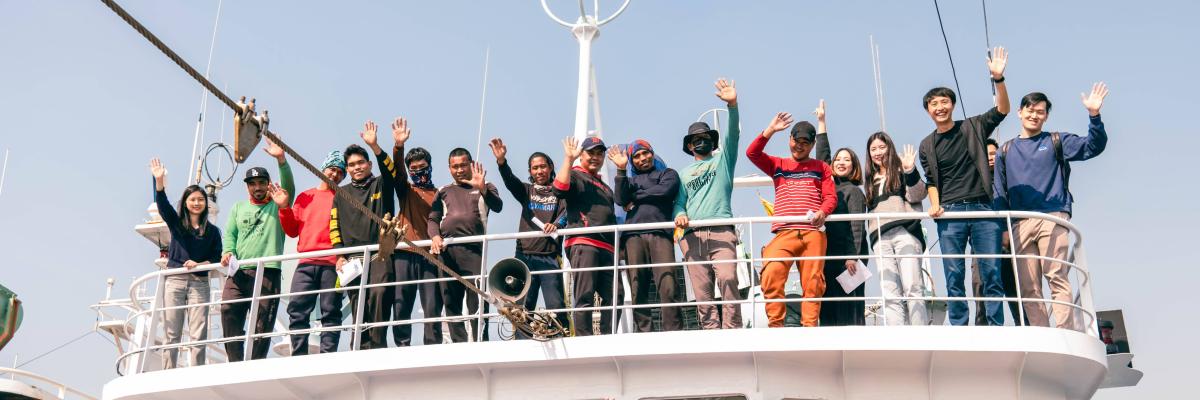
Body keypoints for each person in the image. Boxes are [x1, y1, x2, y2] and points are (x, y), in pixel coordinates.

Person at [994, 84, 1110, 330]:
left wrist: (1094, 115)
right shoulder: (1006, 150)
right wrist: (1003, 228)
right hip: (1019, 222)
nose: (1034, 115)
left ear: (1046, 116)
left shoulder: (1057, 141)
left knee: (1056, 276)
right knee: (1028, 285)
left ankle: (1064, 330)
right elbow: (999, 191)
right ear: (1020, 112)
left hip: (1053, 216)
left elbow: (1093, 146)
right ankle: (1041, 332)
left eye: (1040, 112)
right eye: (1030, 110)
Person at [918, 46, 1010, 326]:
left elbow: (1002, 110)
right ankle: (959, 326)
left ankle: (995, 326)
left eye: (944, 102)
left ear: (952, 105)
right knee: (954, 274)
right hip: (950, 214)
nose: (940, 107)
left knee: (991, 271)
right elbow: (931, 181)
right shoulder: (927, 144)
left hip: (983, 209)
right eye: (934, 104)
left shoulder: (973, 126)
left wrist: (998, 79)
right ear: (928, 110)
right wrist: (935, 205)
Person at [746, 111, 837, 327]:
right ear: (790, 140)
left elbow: (831, 197)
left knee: (813, 281)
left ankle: (809, 327)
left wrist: (822, 212)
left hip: (812, 232)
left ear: (813, 144)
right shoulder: (778, 165)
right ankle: (776, 326)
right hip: (784, 231)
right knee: (771, 273)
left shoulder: (822, 168)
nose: (800, 146)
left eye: (805, 142)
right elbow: (752, 153)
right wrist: (770, 130)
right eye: (796, 141)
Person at [673, 78, 743, 330]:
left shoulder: (723, 161)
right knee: (702, 291)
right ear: (689, 146)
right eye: (695, 139)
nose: (700, 141)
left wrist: (732, 105)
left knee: (728, 278)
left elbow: (733, 136)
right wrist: (679, 214)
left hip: (721, 231)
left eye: (704, 137)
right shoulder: (683, 174)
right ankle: (711, 332)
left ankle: (732, 329)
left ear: (712, 142)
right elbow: (679, 202)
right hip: (692, 236)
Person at [219, 138, 294, 361]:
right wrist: (227, 251)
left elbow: (288, 187)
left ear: (269, 184)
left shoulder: (276, 204)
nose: (257, 187)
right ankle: (235, 362)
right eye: (252, 183)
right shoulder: (238, 207)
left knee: (262, 322)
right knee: (228, 310)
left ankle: (255, 363)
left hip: (268, 271)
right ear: (247, 187)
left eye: (261, 182)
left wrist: (281, 160)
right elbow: (230, 234)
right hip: (239, 271)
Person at [488, 138, 569, 337]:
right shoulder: (526, 191)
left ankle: (560, 337)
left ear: (550, 168)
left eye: (543, 166)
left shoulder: (559, 192)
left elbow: (565, 215)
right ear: (530, 171)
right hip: (524, 256)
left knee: (556, 304)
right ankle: (521, 342)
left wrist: (556, 225)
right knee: (523, 306)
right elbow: (510, 181)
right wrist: (501, 161)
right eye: (535, 168)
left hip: (549, 256)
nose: (539, 171)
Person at [329, 120, 397, 350]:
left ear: (369, 164)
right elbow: (334, 225)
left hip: (380, 253)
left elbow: (392, 172)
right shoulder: (341, 193)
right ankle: (358, 347)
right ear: (347, 169)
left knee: (380, 293)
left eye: (360, 162)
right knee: (358, 302)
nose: (356, 167)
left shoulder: (381, 184)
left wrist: (375, 146)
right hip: (352, 258)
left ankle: (377, 346)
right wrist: (339, 255)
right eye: (351, 165)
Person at [149, 158, 221, 369]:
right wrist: (159, 181)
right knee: (172, 332)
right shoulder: (177, 224)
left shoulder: (213, 232)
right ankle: (168, 372)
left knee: (199, 333)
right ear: (186, 202)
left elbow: (216, 257)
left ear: (205, 203)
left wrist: (200, 264)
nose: (197, 203)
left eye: (200, 199)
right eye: (192, 199)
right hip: (176, 280)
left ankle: (196, 372)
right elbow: (163, 206)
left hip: (200, 282)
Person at [428, 148, 503, 343]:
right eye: (455, 166)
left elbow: (498, 206)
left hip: (474, 251)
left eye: (463, 165)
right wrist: (435, 236)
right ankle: (459, 343)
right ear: (449, 168)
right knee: (450, 300)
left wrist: (483, 188)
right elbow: (433, 219)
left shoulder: (486, 186)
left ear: (471, 165)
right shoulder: (443, 191)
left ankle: (480, 340)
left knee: (477, 299)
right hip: (447, 251)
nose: (459, 170)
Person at [609, 140, 684, 332]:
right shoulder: (629, 181)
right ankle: (644, 332)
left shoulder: (667, 174)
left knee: (668, 284)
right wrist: (621, 170)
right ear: (632, 161)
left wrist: (636, 196)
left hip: (661, 234)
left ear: (652, 153)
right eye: (637, 156)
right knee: (637, 287)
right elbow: (620, 198)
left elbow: (665, 191)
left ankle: (673, 331)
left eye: (645, 153)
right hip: (633, 236)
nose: (642, 158)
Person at [277, 151, 345, 355]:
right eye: (332, 169)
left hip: (332, 264)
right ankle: (298, 355)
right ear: (323, 168)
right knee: (297, 310)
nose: (335, 174)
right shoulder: (305, 196)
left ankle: (327, 356)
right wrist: (284, 208)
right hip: (306, 263)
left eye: (340, 172)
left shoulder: (344, 198)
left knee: (331, 312)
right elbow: (291, 230)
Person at [553, 136, 618, 336]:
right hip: (584, 241)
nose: (595, 157)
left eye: (599, 154)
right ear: (581, 155)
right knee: (585, 295)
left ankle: (607, 337)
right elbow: (559, 188)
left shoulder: (606, 187)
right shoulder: (575, 175)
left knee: (616, 295)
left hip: (608, 248)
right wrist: (568, 159)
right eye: (591, 153)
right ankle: (584, 339)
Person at [864, 132, 929, 325]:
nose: (877, 152)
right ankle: (896, 335)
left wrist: (910, 170)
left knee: (912, 286)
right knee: (889, 291)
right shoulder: (870, 181)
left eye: (881, 147)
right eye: (873, 149)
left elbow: (918, 195)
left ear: (890, 148)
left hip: (904, 232)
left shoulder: (901, 171)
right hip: (880, 237)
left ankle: (919, 332)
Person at [811, 101, 867, 326]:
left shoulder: (854, 191)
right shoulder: (830, 188)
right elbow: (822, 159)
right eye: (838, 159)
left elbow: (857, 226)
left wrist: (852, 256)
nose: (841, 162)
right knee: (828, 305)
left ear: (854, 166)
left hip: (849, 255)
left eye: (847, 160)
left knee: (849, 306)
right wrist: (821, 123)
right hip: (829, 253)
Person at [391, 117, 445, 346]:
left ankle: (432, 345)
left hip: (431, 254)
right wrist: (399, 146)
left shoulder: (440, 194)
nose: (418, 172)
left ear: (430, 167)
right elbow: (398, 172)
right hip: (405, 253)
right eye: (413, 169)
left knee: (433, 304)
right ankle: (402, 346)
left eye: (422, 167)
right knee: (401, 303)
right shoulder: (406, 190)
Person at [972, 138, 1022, 325]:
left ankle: (1025, 331)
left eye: (994, 154)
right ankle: (984, 333)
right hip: (981, 247)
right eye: (986, 155)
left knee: (1017, 294)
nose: (990, 158)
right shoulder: (973, 186)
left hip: (1009, 247)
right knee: (982, 295)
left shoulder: (1010, 182)